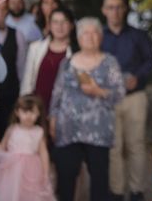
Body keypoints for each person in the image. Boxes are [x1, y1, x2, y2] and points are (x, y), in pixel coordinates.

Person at [50, 17, 125, 201]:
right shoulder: (67, 63)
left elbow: (120, 93)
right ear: (78, 37)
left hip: (97, 132)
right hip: (68, 130)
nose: (90, 37)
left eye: (94, 32)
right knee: (66, 179)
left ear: (100, 37)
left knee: (99, 180)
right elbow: (56, 93)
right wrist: (53, 119)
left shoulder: (109, 62)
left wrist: (98, 91)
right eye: (85, 33)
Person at [101, 0, 152, 201]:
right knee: (114, 148)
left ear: (124, 9)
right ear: (104, 10)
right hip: (109, 99)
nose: (115, 11)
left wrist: (138, 76)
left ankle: (136, 191)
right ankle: (116, 192)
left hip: (135, 96)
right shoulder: (99, 36)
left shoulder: (138, 35)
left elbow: (150, 60)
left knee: (136, 145)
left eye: (118, 7)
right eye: (110, 7)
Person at [0, 94, 54, 200]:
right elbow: (2, 146)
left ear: (38, 113)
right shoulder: (12, 129)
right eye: (24, 112)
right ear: (17, 112)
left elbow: (43, 153)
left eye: (32, 112)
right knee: (11, 193)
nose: (28, 116)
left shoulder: (39, 131)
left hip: (32, 169)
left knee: (30, 195)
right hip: (11, 168)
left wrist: (45, 173)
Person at [0, 0, 28, 141]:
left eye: (3, 9)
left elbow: (22, 67)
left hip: (9, 95)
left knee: (8, 137)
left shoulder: (17, 35)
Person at [20, 7, 77, 110]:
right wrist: (25, 105)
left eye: (64, 22)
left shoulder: (77, 52)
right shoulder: (35, 48)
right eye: (55, 22)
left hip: (65, 109)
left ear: (72, 25)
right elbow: (27, 80)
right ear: (50, 25)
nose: (59, 26)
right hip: (37, 108)